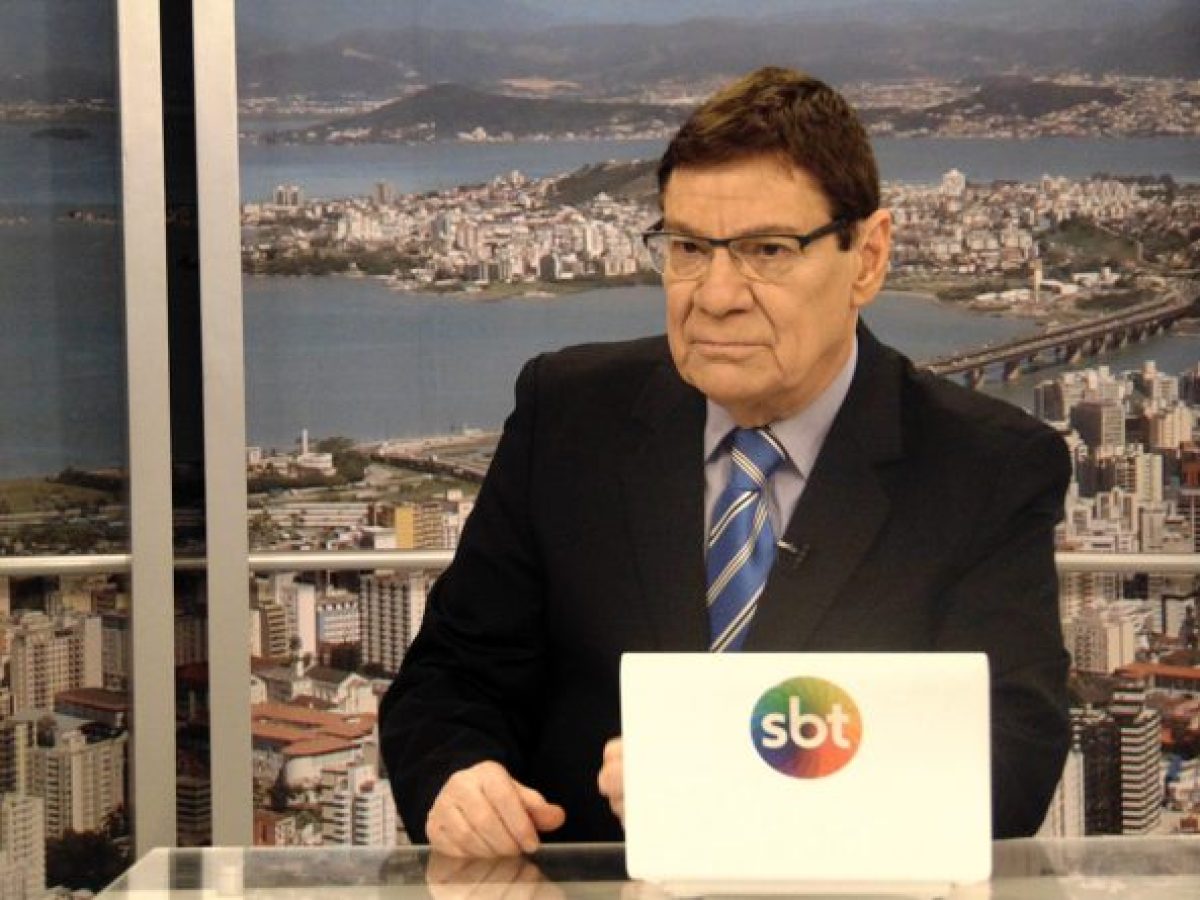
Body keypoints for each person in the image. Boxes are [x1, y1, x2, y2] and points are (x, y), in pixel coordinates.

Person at [380, 66, 1071, 857]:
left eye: (766, 250)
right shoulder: (567, 415)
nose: (714, 296)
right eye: (687, 248)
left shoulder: (986, 466)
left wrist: (729, 782)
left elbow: (1008, 763)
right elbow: (450, 678)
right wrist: (456, 778)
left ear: (869, 257)